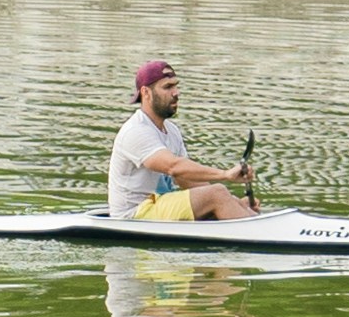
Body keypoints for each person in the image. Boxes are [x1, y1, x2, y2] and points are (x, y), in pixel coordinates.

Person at [103, 58, 260, 224]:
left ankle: (254, 224)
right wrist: (224, 175)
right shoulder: (136, 131)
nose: (176, 92)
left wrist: (233, 202)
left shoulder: (172, 131)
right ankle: (261, 233)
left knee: (222, 196)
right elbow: (173, 167)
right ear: (146, 93)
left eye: (176, 85)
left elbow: (187, 180)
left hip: (158, 205)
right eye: (168, 87)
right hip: (134, 215)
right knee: (217, 193)